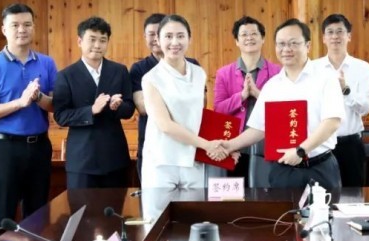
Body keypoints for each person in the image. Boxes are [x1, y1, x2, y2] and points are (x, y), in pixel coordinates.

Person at [220, 18, 344, 190]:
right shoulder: (272, 86)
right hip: (283, 169)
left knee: (324, 209)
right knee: (282, 209)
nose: (286, 49)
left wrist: (301, 150)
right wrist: (230, 145)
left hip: (319, 167)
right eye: (281, 44)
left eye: (293, 43)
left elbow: (332, 122)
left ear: (308, 46)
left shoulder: (326, 78)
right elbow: (259, 128)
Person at [0, 3, 57, 227]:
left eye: (27, 24)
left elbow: (55, 106)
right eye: (15, 25)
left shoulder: (47, 63)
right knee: (4, 212)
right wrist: (20, 103)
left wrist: (38, 97)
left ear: (33, 27)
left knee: (38, 212)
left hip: (39, 146)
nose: (22, 29)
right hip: (6, 149)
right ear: (4, 29)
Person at [53, 17, 135, 189]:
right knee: (81, 205)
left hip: (114, 156)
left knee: (116, 205)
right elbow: (61, 116)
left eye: (102, 40)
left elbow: (129, 109)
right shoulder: (66, 75)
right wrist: (91, 110)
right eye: (92, 39)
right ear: (80, 41)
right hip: (82, 159)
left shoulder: (119, 71)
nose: (97, 45)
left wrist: (118, 106)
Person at [141, 14, 222, 189]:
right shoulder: (151, 78)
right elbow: (165, 125)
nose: (175, 42)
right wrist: (207, 145)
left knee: (194, 207)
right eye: (168, 36)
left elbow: (200, 116)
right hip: (162, 162)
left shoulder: (199, 73)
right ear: (158, 40)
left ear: (189, 39)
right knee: (159, 208)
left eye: (180, 36)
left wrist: (224, 147)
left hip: (194, 158)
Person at [130, 13, 200, 178]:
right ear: (145, 37)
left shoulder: (192, 65)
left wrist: (159, 101)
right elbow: (143, 107)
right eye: (151, 34)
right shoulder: (139, 69)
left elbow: (199, 103)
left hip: (186, 144)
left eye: (160, 33)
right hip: (153, 147)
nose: (155, 38)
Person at [213, 16, 281, 179]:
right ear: (237, 41)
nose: (249, 38)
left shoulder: (278, 72)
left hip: (267, 145)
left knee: (266, 191)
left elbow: (283, 111)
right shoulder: (223, 73)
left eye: (254, 34)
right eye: (244, 34)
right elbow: (218, 109)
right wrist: (242, 96)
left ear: (263, 38)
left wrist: (257, 94)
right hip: (234, 146)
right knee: (235, 192)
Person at [313, 14, 369, 187]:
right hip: (320, 144)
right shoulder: (313, 68)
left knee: (353, 195)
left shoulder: (362, 68)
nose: (335, 36)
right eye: (330, 32)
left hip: (350, 144)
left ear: (349, 36)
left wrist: (345, 90)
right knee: (321, 194)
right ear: (324, 38)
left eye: (340, 31)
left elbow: (365, 108)